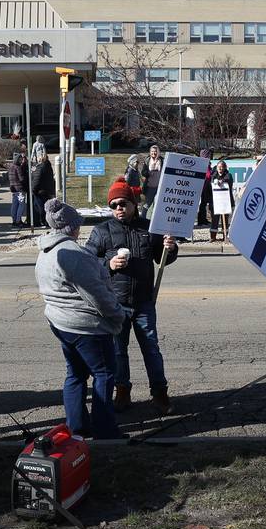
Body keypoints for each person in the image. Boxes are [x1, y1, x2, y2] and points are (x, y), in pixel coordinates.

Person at [83, 177, 178, 415]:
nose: (118, 209)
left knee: (152, 349)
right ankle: (122, 391)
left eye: (123, 203)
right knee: (117, 351)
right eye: (113, 205)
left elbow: (162, 258)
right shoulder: (101, 232)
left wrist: (170, 247)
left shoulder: (149, 228)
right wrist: (108, 263)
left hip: (145, 302)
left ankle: (159, 393)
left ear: (134, 204)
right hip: (115, 304)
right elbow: (86, 262)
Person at [35, 198, 126, 439]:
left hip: (61, 322)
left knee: (75, 374)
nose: (80, 227)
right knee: (104, 374)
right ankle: (105, 431)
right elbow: (96, 294)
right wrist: (117, 315)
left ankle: (77, 428)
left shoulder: (47, 250)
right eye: (78, 223)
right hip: (86, 326)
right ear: (71, 227)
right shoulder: (73, 254)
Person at [30, 144, 56, 228]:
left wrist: (33, 190)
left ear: (40, 158)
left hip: (39, 191)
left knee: (39, 208)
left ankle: (42, 222)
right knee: (46, 208)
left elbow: (36, 180)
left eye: (38, 157)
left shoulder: (40, 168)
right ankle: (46, 221)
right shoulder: (49, 167)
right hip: (47, 190)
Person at [209, 160, 235, 241]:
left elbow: (228, 180)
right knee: (214, 219)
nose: (220, 168)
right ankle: (213, 237)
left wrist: (222, 181)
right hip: (216, 201)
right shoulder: (213, 175)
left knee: (225, 220)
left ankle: (225, 236)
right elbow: (212, 182)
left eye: (222, 166)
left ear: (225, 167)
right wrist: (216, 182)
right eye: (219, 167)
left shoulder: (229, 175)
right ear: (216, 168)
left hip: (226, 201)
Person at [7, 151, 28, 227]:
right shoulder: (17, 167)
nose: (20, 161)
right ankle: (18, 220)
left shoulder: (10, 167)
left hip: (13, 188)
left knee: (14, 205)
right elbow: (21, 179)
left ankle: (14, 220)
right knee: (21, 205)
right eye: (20, 159)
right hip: (20, 189)